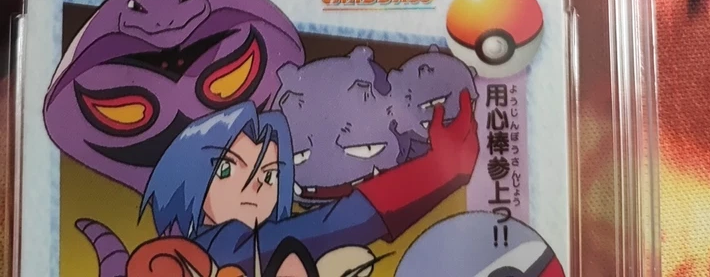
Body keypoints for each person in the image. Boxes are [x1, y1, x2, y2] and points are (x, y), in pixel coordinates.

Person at [137, 91, 478, 274]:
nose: (255, 187)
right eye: (227, 170)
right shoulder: (221, 246)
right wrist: (438, 171)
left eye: (270, 175)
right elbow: (338, 224)